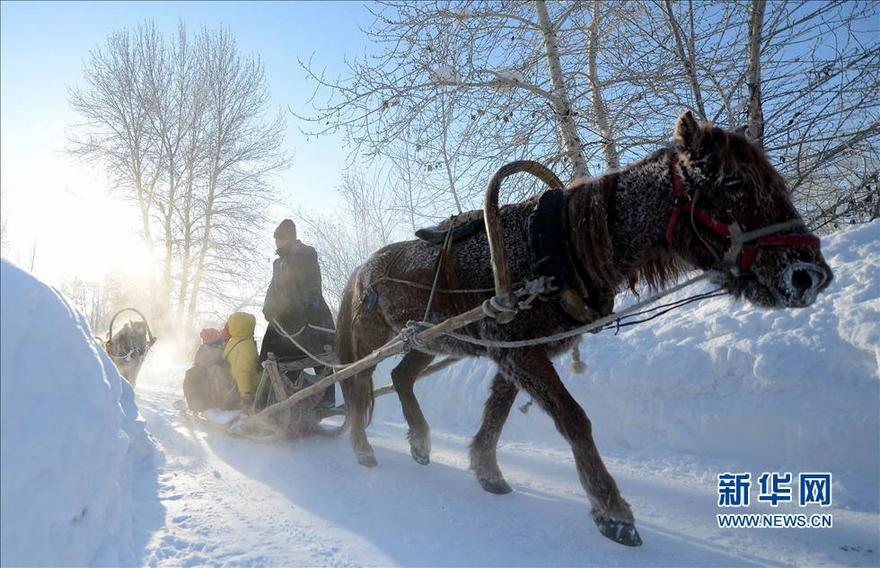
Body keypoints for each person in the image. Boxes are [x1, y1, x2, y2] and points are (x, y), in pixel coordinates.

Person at [260, 219, 336, 408]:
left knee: (319, 354)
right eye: (276, 239)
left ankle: (326, 398)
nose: (277, 243)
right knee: (274, 354)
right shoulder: (278, 263)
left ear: (289, 238)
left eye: (279, 239)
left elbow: (311, 286)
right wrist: (268, 307)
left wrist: (303, 309)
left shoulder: (305, 255)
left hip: (309, 314)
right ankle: (279, 396)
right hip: (284, 316)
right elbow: (273, 289)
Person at [183, 328, 238, 412]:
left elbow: (198, 362)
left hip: (206, 396)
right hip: (216, 397)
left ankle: (196, 405)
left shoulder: (202, 350)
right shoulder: (218, 352)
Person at [223, 312, 262, 409]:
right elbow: (243, 371)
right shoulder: (246, 346)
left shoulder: (233, 341)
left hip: (232, 386)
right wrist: (246, 393)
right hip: (248, 390)